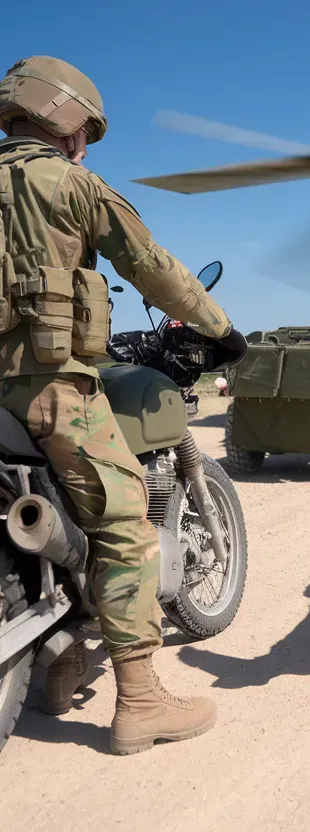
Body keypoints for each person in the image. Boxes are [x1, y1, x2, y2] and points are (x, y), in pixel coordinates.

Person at [0, 56, 245, 755]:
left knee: (71, 509)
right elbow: (151, 265)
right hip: (49, 390)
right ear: (66, 117)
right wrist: (221, 329)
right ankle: (139, 700)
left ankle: (60, 663)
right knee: (124, 517)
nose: (85, 145)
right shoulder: (75, 187)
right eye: (86, 131)